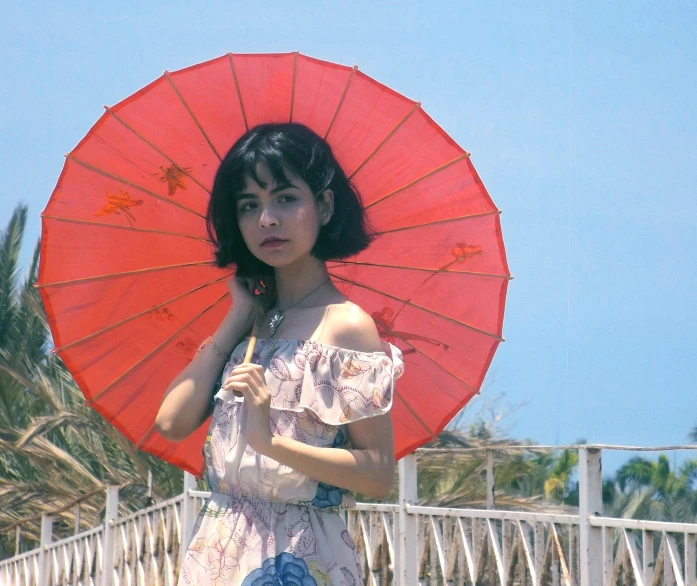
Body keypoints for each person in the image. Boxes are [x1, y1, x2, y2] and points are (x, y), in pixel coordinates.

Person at [155, 122, 405, 586]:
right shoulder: (254, 320)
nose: (267, 219)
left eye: (285, 198)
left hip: (299, 557)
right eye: (249, 205)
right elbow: (170, 422)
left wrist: (271, 444)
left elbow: (376, 473)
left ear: (324, 205)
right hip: (217, 548)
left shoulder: (345, 327)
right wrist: (238, 316)